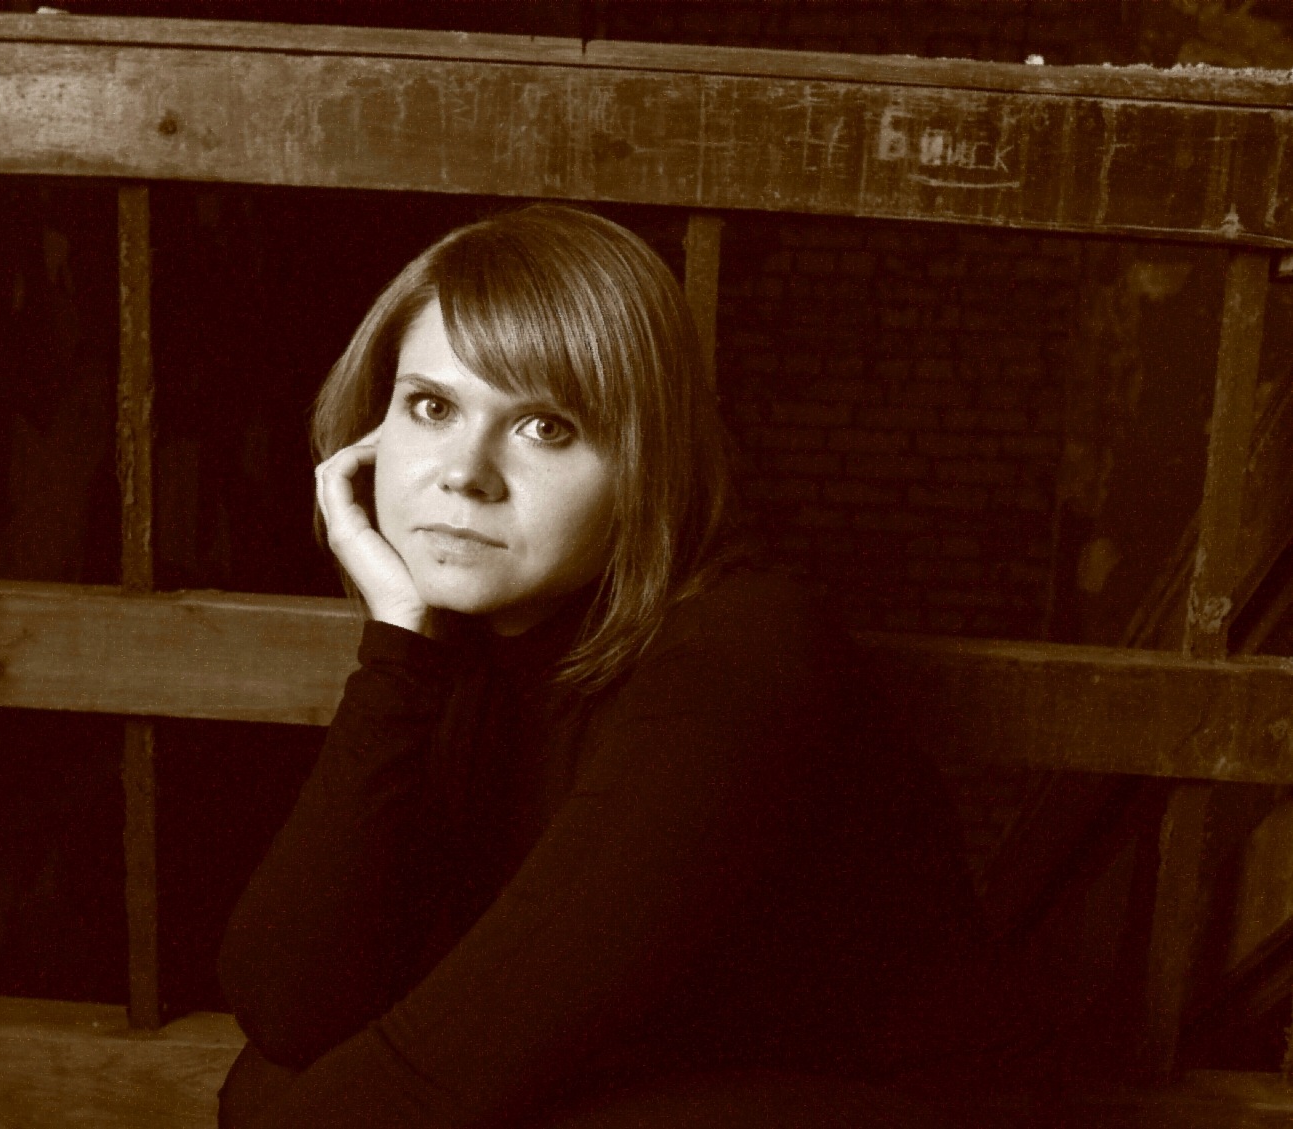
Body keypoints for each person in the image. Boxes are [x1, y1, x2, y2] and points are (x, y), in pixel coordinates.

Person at [215, 205, 1010, 1128]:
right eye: (432, 407)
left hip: (856, 1101)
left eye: (545, 427)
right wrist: (399, 645)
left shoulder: (740, 650)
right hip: (639, 1078)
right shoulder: (470, 641)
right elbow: (288, 1008)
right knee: (271, 1086)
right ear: (372, 427)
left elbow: (441, 1068)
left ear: (643, 462)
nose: (465, 473)